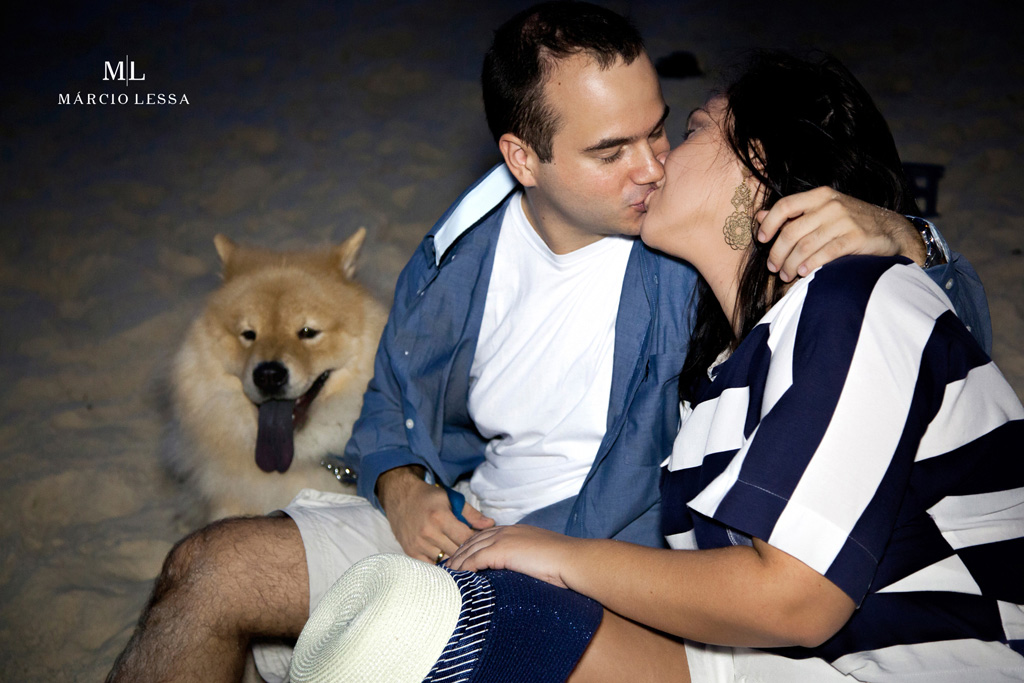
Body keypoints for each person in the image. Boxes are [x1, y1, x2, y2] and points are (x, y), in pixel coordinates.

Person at [106, 4, 990, 682]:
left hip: (612, 577)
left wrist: (910, 234)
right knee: (209, 567)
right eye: (613, 149)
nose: (651, 166)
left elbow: (918, 349)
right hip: (460, 531)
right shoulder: (458, 259)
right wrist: (399, 480)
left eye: (663, 128)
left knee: (397, 635)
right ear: (523, 161)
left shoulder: (695, 264)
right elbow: (395, 405)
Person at [444, 51, 1024, 681]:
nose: (655, 160)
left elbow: (795, 598)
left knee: (500, 621)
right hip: (784, 665)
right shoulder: (720, 381)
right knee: (478, 621)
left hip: (955, 662)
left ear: (758, 164)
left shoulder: (855, 297)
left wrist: (562, 557)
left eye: (690, 130)